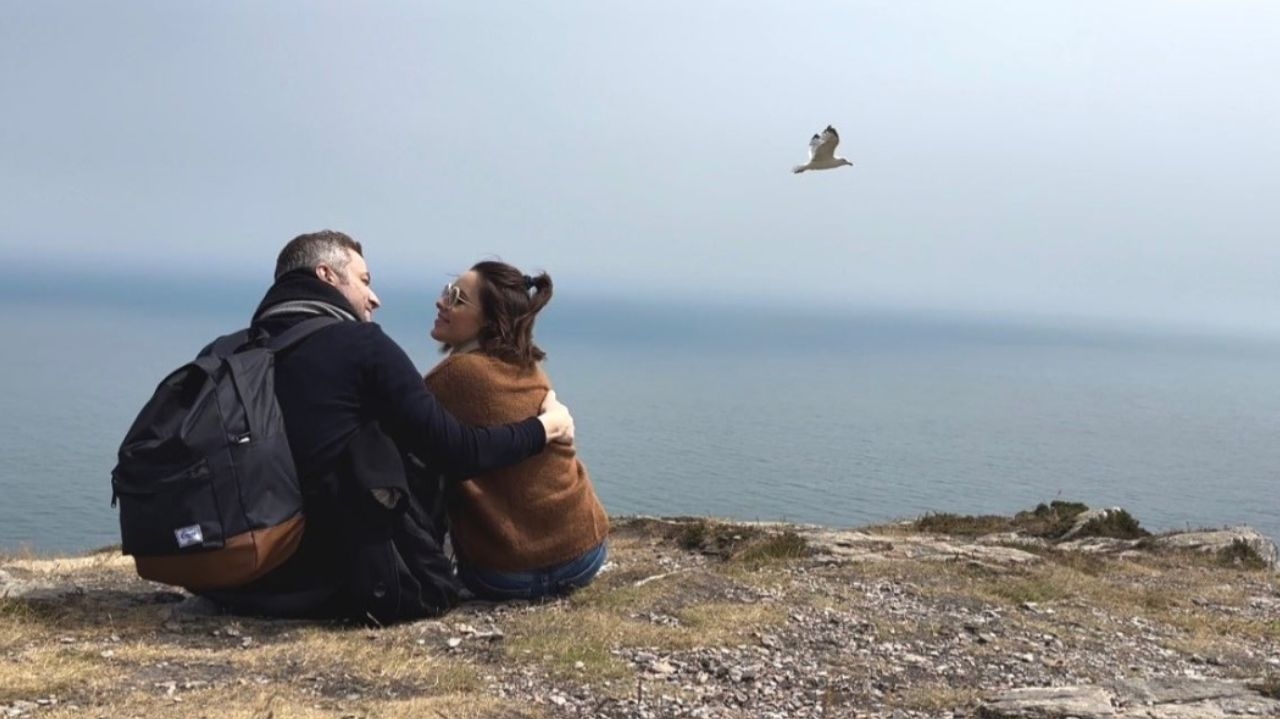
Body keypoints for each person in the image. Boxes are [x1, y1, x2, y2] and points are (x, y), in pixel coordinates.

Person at [201, 231, 575, 623]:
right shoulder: (363, 346)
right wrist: (544, 428)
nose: (374, 298)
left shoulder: (225, 353)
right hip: (340, 582)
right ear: (327, 275)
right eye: (364, 281)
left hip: (234, 576)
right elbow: (456, 452)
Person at [424, 260, 609, 600]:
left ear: (490, 321)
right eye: (447, 292)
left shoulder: (450, 378)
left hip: (503, 574)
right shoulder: (527, 365)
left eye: (457, 299)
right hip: (584, 555)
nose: (442, 302)